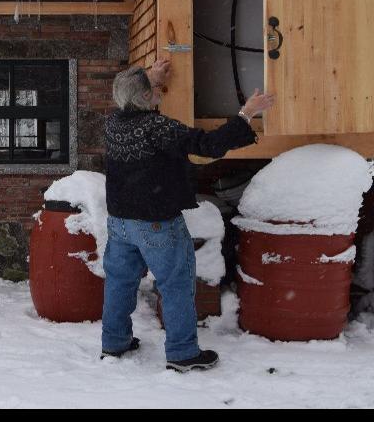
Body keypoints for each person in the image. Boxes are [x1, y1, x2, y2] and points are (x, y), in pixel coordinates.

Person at [101, 59, 274, 372]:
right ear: (143, 97)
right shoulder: (156, 127)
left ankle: (114, 343)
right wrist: (247, 113)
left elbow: (134, 92)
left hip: (120, 222)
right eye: (155, 88)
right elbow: (206, 145)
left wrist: (148, 76)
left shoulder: (112, 122)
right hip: (156, 222)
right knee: (176, 285)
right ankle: (182, 354)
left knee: (119, 283)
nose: (161, 90)